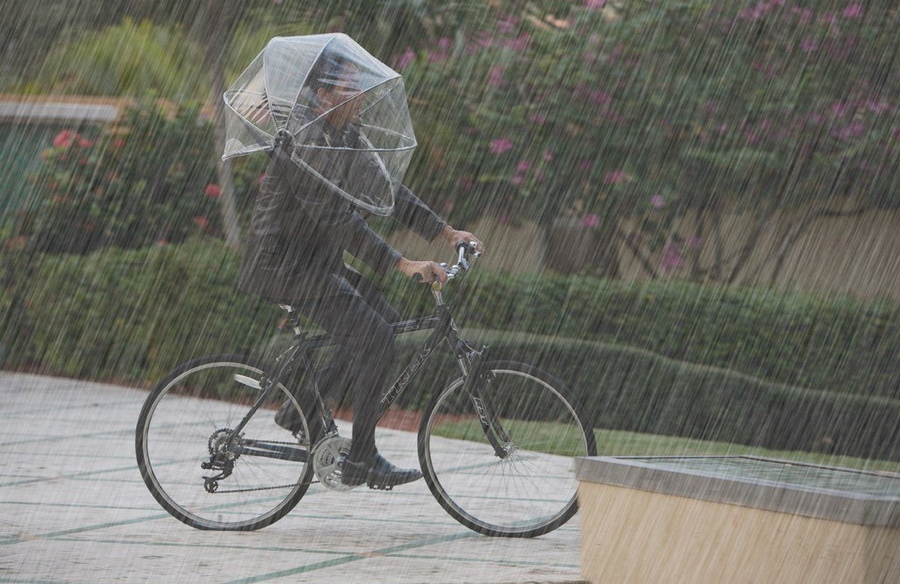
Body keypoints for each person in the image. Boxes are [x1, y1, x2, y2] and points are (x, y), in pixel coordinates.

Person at [240, 51, 484, 490]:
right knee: (373, 338)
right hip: (280, 265)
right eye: (350, 89)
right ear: (321, 95)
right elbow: (338, 220)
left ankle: (300, 410)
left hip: (315, 263)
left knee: (382, 321)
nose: (360, 96)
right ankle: (362, 459)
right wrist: (401, 262)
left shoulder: (346, 135)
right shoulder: (303, 140)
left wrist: (447, 233)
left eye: (360, 87)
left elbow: (387, 190)